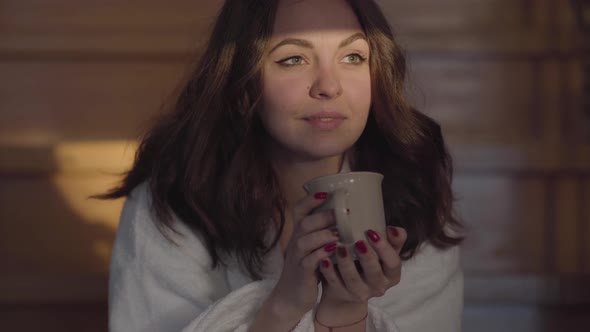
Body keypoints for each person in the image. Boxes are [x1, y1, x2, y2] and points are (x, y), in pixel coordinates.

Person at [102, 0, 464, 331]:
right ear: (244, 85)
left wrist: (345, 310)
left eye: (353, 57)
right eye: (293, 59)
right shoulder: (174, 200)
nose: (328, 86)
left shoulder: (414, 195)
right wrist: (283, 305)